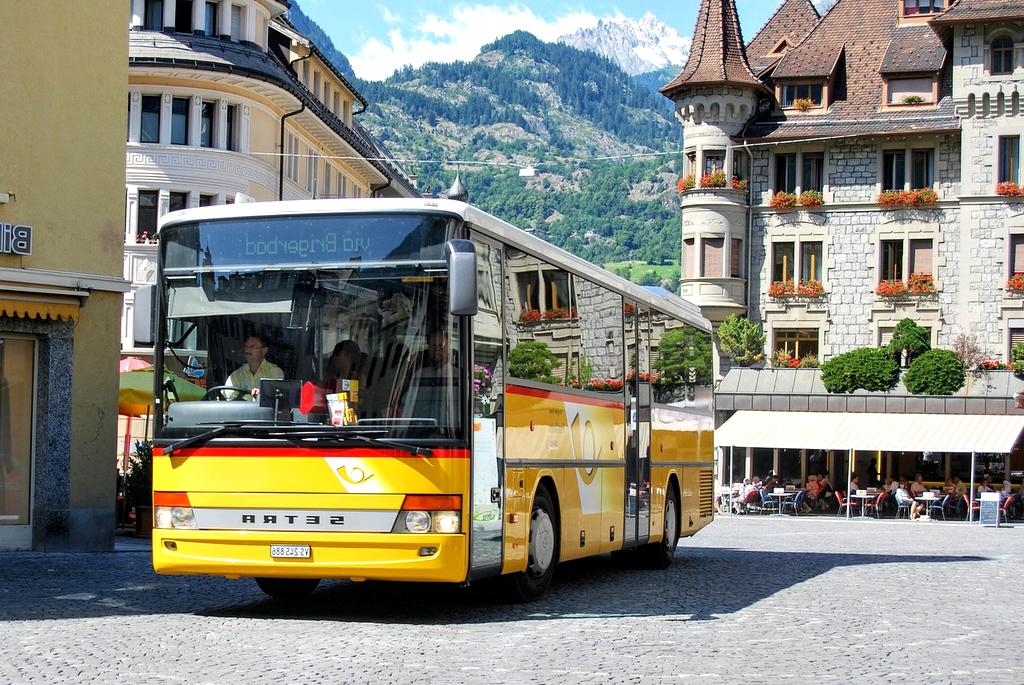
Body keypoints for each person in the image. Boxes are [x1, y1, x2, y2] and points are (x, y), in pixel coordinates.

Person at [226, 335, 283, 400]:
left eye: (252, 347)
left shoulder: (275, 372)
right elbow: (229, 400)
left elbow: (275, 398)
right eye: (246, 347)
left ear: (264, 350)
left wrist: (261, 394)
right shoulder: (236, 375)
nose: (247, 350)